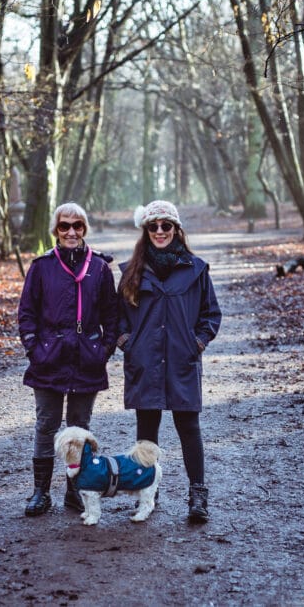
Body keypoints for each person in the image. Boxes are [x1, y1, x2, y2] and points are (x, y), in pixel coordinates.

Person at [116, 200, 221, 523]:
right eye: (153, 226)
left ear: (177, 229)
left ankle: (197, 497)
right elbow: (118, 317)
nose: (160, 232)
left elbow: (211, 314)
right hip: (145, 362)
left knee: (188, 427)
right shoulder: (130, 273)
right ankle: (149, 494)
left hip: (181, 361)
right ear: (145, 232)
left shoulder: (196, 270)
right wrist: (127, 344)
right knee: (147, 432)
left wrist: (197, 343)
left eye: (166, 226)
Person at [18, 202, 120, 517]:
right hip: (48, 357)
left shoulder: (100, 268)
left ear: (84, 228)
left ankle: (75, 491)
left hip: (86, 358)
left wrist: (104, 349)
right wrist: (34, 347)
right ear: (56, 230)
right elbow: (26, 313)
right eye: (65, 226)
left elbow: (111, 314)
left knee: (79, 426)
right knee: (46, 425)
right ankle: (40, 493)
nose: (71, 232)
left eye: (77, 225)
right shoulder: (41, 266)